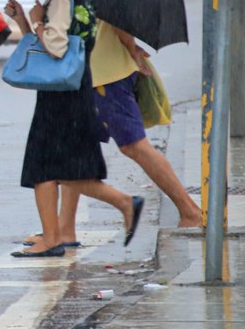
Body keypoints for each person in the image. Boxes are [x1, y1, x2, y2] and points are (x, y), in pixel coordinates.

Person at [20, 19, 201, 248]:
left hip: (107, 75)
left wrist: (131, 49)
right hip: (90, 75)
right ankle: (65, 230)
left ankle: (190, 211)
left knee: (134, 145)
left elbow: (118, 19)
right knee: (72, 153)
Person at [4, 0, 144, 257]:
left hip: (61, 96)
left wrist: (37, 22)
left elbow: (54, 47)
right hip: (71, 90)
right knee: (61, 168)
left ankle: (58, 236)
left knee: (42, 165)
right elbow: (53, 48)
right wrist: (24, 22)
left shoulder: (61, 0)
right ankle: (118, 206)